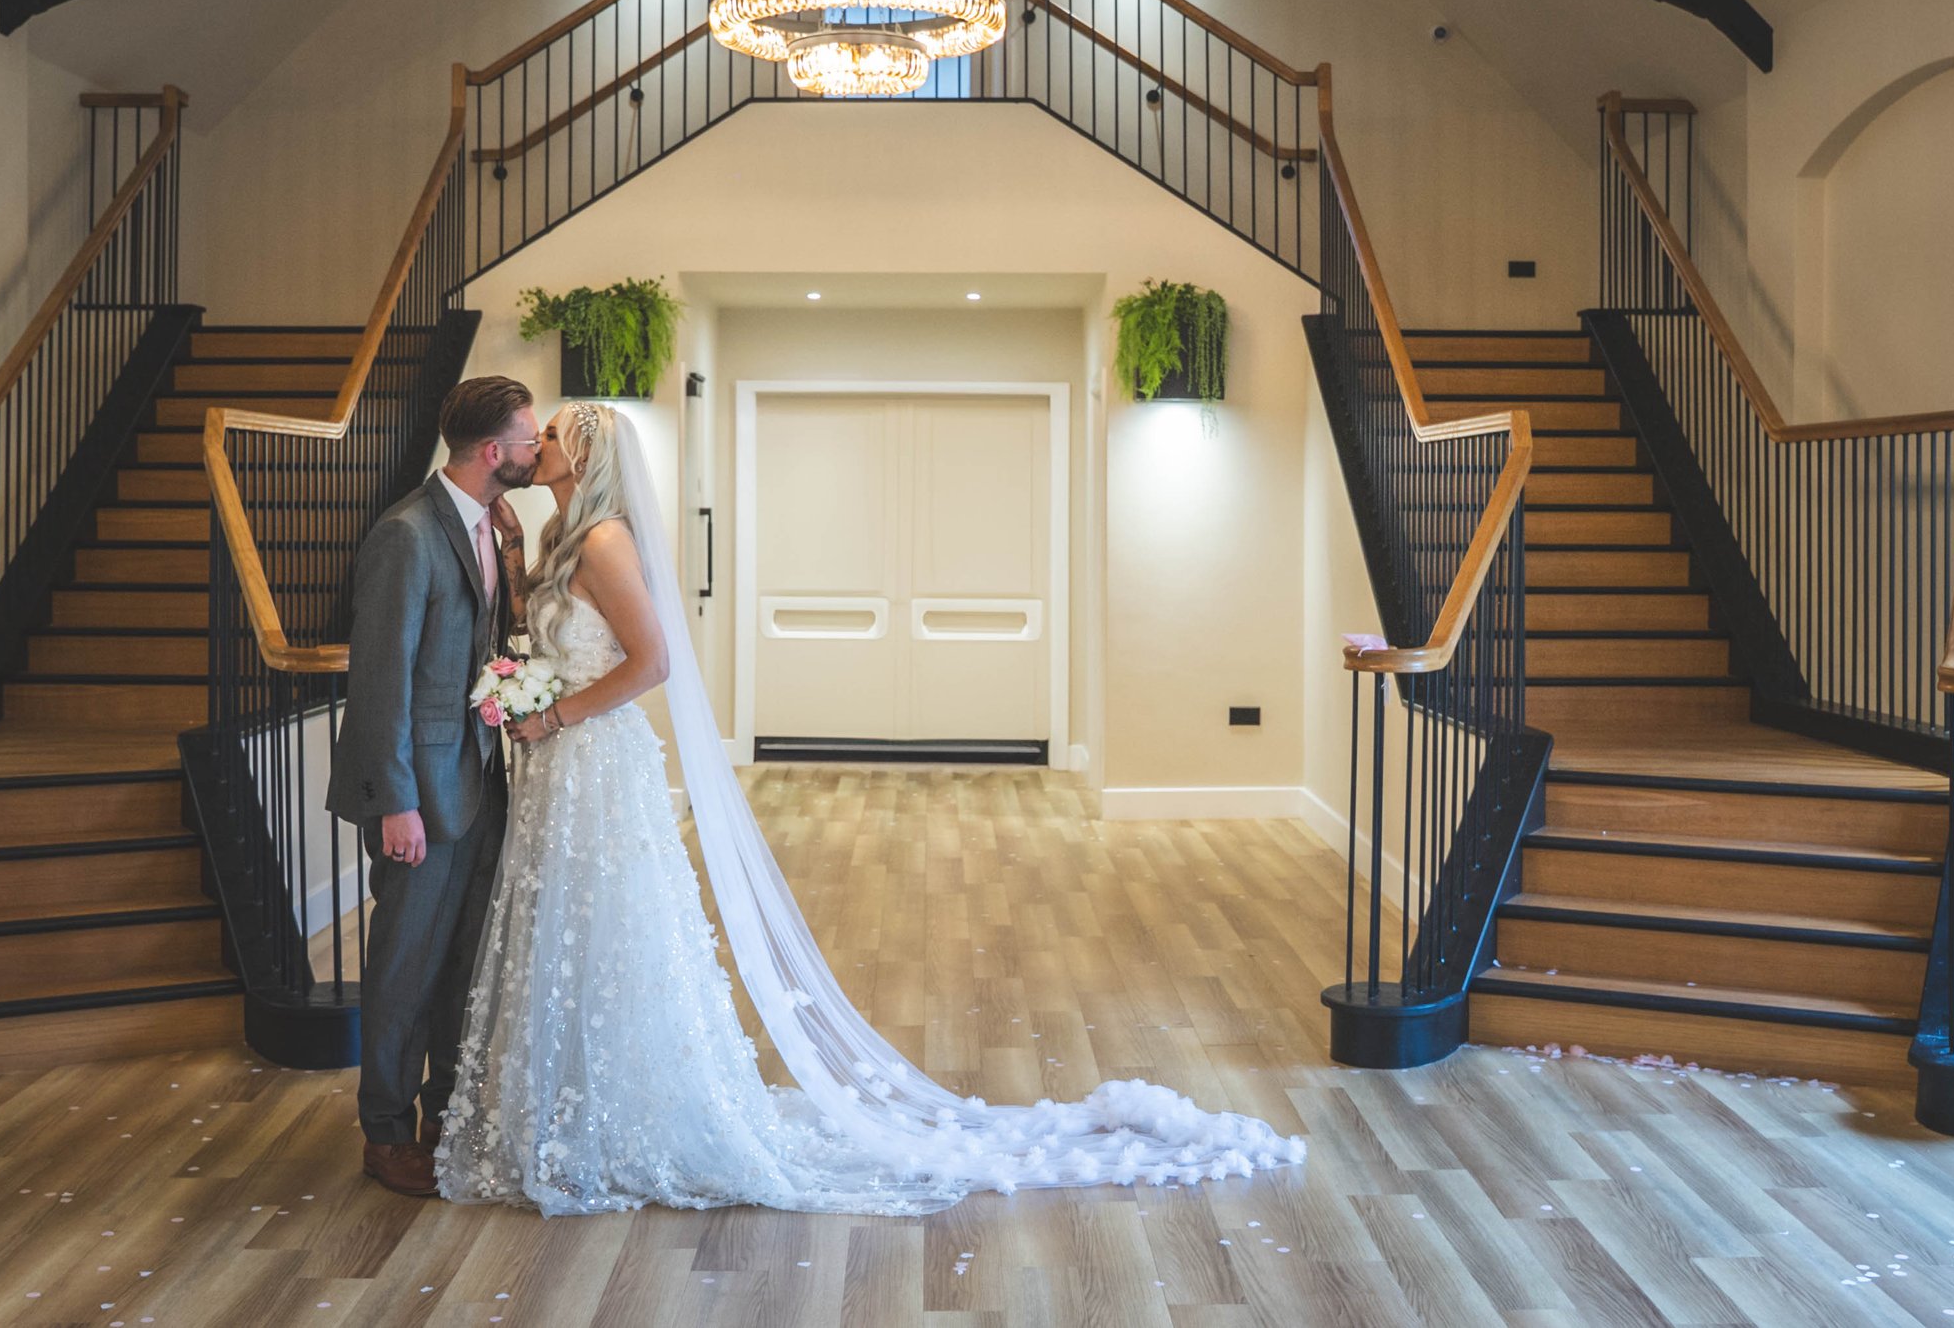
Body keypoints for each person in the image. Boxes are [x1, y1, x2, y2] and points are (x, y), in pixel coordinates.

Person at [435, 400, 1304, 1214]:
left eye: (548, 435)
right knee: (571, 936)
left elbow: (652, 663)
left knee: (613, 932)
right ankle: (573, 1105)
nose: (535, 444)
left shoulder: (608, 544)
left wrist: (552, 712)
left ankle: (624, 1116)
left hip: (595, 764)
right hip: (560, 773)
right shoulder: (557, 537)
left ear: (580, 454)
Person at [326, 375, 539, 1196]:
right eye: (526, 439)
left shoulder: (495, 524)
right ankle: (384, 1134)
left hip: (481, 782)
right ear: (494, 452)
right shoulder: (407, 535)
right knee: (405, 968)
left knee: (463, 964)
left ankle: (442, 1117)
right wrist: (398, 803)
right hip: (422, 793)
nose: (531, 450)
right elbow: (377, 679)